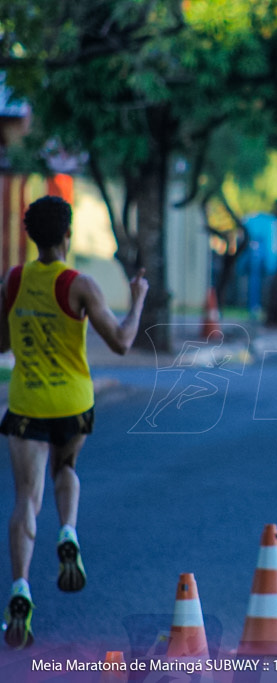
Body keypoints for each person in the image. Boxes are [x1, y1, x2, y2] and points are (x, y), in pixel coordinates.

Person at [0, 196, 149, 649]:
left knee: (26, 497)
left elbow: (2, 344)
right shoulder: (80, 284)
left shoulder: (14, 280)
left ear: (30, 236)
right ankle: (68, 532)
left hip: (27, 403)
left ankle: (20, 590)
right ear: (67, 235)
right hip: (72, 402)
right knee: (66, 470)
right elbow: (122, 342)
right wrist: (138, 297)